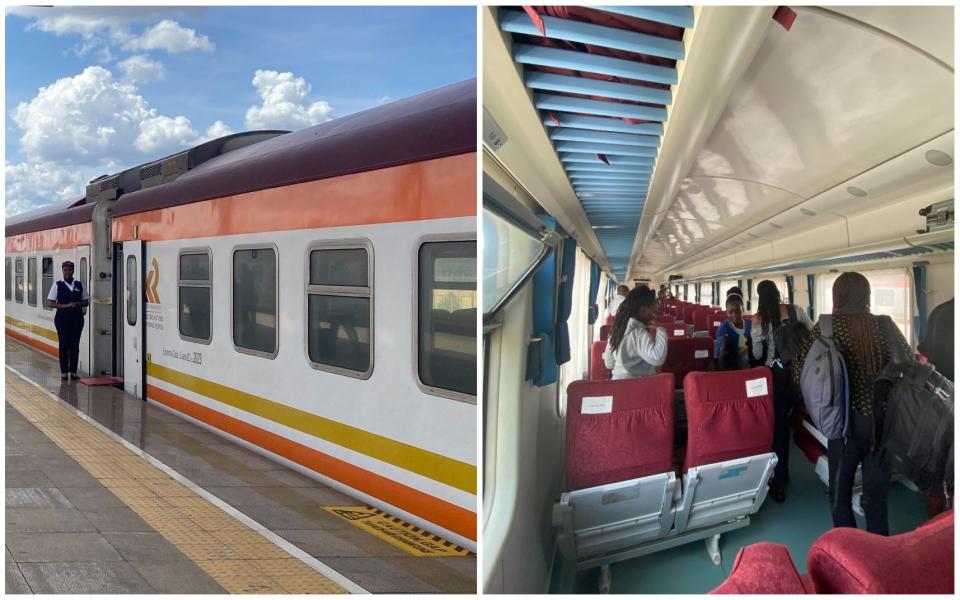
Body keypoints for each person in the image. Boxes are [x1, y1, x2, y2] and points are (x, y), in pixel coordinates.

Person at [794, 272, 911, 535]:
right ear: (866, 295)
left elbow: (801, 372)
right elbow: (907, 364)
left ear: (837, 295)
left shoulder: (827, 327)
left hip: (845, 425)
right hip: (883, 424)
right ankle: (877, 555)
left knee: (840, 497)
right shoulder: (886, 325)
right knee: (877, 500)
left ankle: (849, 552)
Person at [750, 279, 813, 502]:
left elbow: (758, 355)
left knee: (779, 429)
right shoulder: (796, 310)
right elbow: (813, 333)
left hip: (777, 377)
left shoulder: (758, 320)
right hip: (803, 376)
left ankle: (780, 481)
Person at [916, 297, 954, 517]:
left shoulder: (939, 311)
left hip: (941, 404)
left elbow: (925, 359)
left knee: (936, 473)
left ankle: (934, 529)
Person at [604, 285, 668, 379]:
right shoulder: (638, 333)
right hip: (637, 387)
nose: (654, 315)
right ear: (642, 310)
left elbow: (609, 363)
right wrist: (661, 330)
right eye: (653, 312)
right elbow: (657, 358)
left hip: (616, 385)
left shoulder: (617, 328)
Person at [45, 261, 89, 381]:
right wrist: (67, 306)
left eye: (70, 270)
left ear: (73, 271)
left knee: (75, 345)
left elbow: (86, 301)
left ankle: (73, 372)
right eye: (65, 270)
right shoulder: (57, 285)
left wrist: (78, 303)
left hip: (77, 319)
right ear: (62, 271)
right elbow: (50, 302)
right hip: (62, 319)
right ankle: (64, 372)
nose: (68, 272)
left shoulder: (79, 285)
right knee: (63, 345)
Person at [716, 287, 752, 370]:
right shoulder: (723, 330)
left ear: (743, 309)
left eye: (738, 311)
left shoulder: (750, 325)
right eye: (730, 312)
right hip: (733, 369)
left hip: (751, 367)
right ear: (726, 312)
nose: (734, 315)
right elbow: (721, 360)